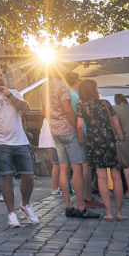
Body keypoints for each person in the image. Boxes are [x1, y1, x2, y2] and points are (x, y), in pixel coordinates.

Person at [0, 66, 39, 227]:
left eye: (0, 75)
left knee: (28, 175)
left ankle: (25, 204)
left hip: (20, 141)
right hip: (0, 143)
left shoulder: (14, 93)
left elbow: (26, 109)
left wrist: (10, 95)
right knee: (7, 177)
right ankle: (11, 213)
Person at [43, 67, 98, 219]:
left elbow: (43, 110)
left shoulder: (43, 88)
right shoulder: (62, 86)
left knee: (63, 168)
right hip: (69, 131)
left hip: (55, 131)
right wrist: (76, 127)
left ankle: (69, 206)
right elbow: (68, 109)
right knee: (78, 168)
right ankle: (81, 207)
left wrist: (54, 124)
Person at [75, 80, 125, 221]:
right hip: (109, 141)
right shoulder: (105, 103)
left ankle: (109, 213)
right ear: (93, 89)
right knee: (116, 176)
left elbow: (79, 126)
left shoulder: (81, 106)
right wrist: (121, 137)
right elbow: (116, 123)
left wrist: (82, 138)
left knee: (101, 177)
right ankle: (119, 213)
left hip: (95, 143)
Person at [37, 117, 61, 196]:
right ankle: (55, 189)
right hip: (52, 142)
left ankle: (59, 188)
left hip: (48, 143)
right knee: (57, 165)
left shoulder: (46, 116)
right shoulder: (52, 115)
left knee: (57, 165)